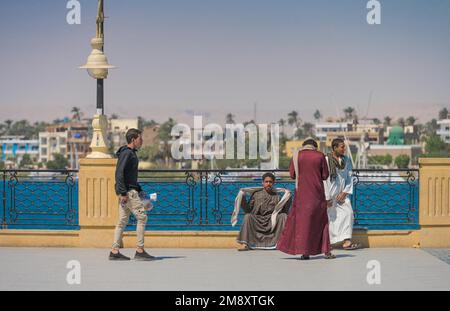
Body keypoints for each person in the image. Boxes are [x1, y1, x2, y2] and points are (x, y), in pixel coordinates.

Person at [277, 138, 335, 260]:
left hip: (302, 195)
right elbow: (325, 175)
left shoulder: (296, 156)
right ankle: (326, 252)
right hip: (317, 195)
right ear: (315, 147)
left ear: (304, 146)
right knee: (322, 222)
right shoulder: (320, 156)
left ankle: (305, 252)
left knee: (303, 224)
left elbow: (292, 174)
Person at [109, 128, 155, 261]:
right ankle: (140, 250)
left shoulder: (129, 153)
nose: (142, 141)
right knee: (142, 217)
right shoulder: (127, 154)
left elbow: (130, 177)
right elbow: (119, 173)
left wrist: (140, 191)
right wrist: (123, 193)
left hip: (129, 191)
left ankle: (114, 251)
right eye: (140, 138)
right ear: (133, 139)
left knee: (122, 221)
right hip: (128, 193)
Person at [232, 173, 292, 251]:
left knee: (283, 216)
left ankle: (284, 244)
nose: (268, 184)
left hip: (271, 221)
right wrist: (242, 197)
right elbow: (248, 210)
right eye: (266, 182)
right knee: (248, 216)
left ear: (273, 183)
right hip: (258, 220)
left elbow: (284, 210)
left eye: (270, 182)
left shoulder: (277, 196)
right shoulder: (256, 194)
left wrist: (288, 197)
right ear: (262, 183)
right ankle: (245, 244)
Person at [324, 138, 361, 250]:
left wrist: (345, 192)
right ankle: (327, 243)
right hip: (329, 194)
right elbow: (324, 179)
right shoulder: (325, 160)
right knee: (329, 218)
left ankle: (346, 241)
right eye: (342, 147)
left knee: (348, 213)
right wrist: (326, 198)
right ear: (335, 148)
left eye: (344, 146)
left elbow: (350, 177)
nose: (344, 149)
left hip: (342, 194)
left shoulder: (346, 161)